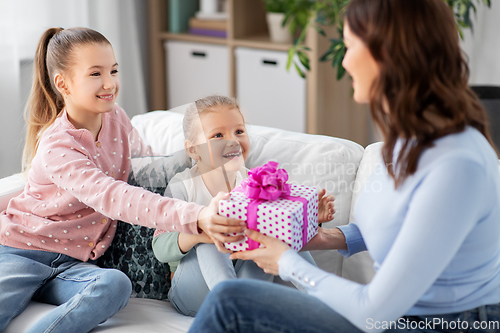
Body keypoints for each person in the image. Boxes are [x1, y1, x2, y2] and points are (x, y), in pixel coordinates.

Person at [187, 0, 500, 332]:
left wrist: (286, 261)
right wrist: (317, 237)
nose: (345, 61)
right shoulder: (410, 138)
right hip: (399, 316)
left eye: (350, 46)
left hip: (448, 324)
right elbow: (389, 225)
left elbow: (372, 311)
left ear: (388, 55)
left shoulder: (455, 166)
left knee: (229, 302)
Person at [0, 27, 244, 333]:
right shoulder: (58, 146)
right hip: (22, 250)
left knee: (115, 284)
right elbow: (115, 196)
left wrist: (203, 149)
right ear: (63, 83)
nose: (110, 83)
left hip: (72, 263)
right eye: (95, 73)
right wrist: (198, 216)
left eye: (114, 70)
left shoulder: (116, 118)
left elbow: (147, 171)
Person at [152, 95, 335, 316]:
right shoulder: (183, 186)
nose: (233, 141)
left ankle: (324, 300)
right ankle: (235, 304)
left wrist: (311, 219)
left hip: (247, 285)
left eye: (239, 131)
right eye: (218, 135)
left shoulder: (255, 182)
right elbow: (160, 248)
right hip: (193, 292)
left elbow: (285, 234)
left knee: (269, 231)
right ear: (193, 150)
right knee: (211, 229)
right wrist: (201, 232)